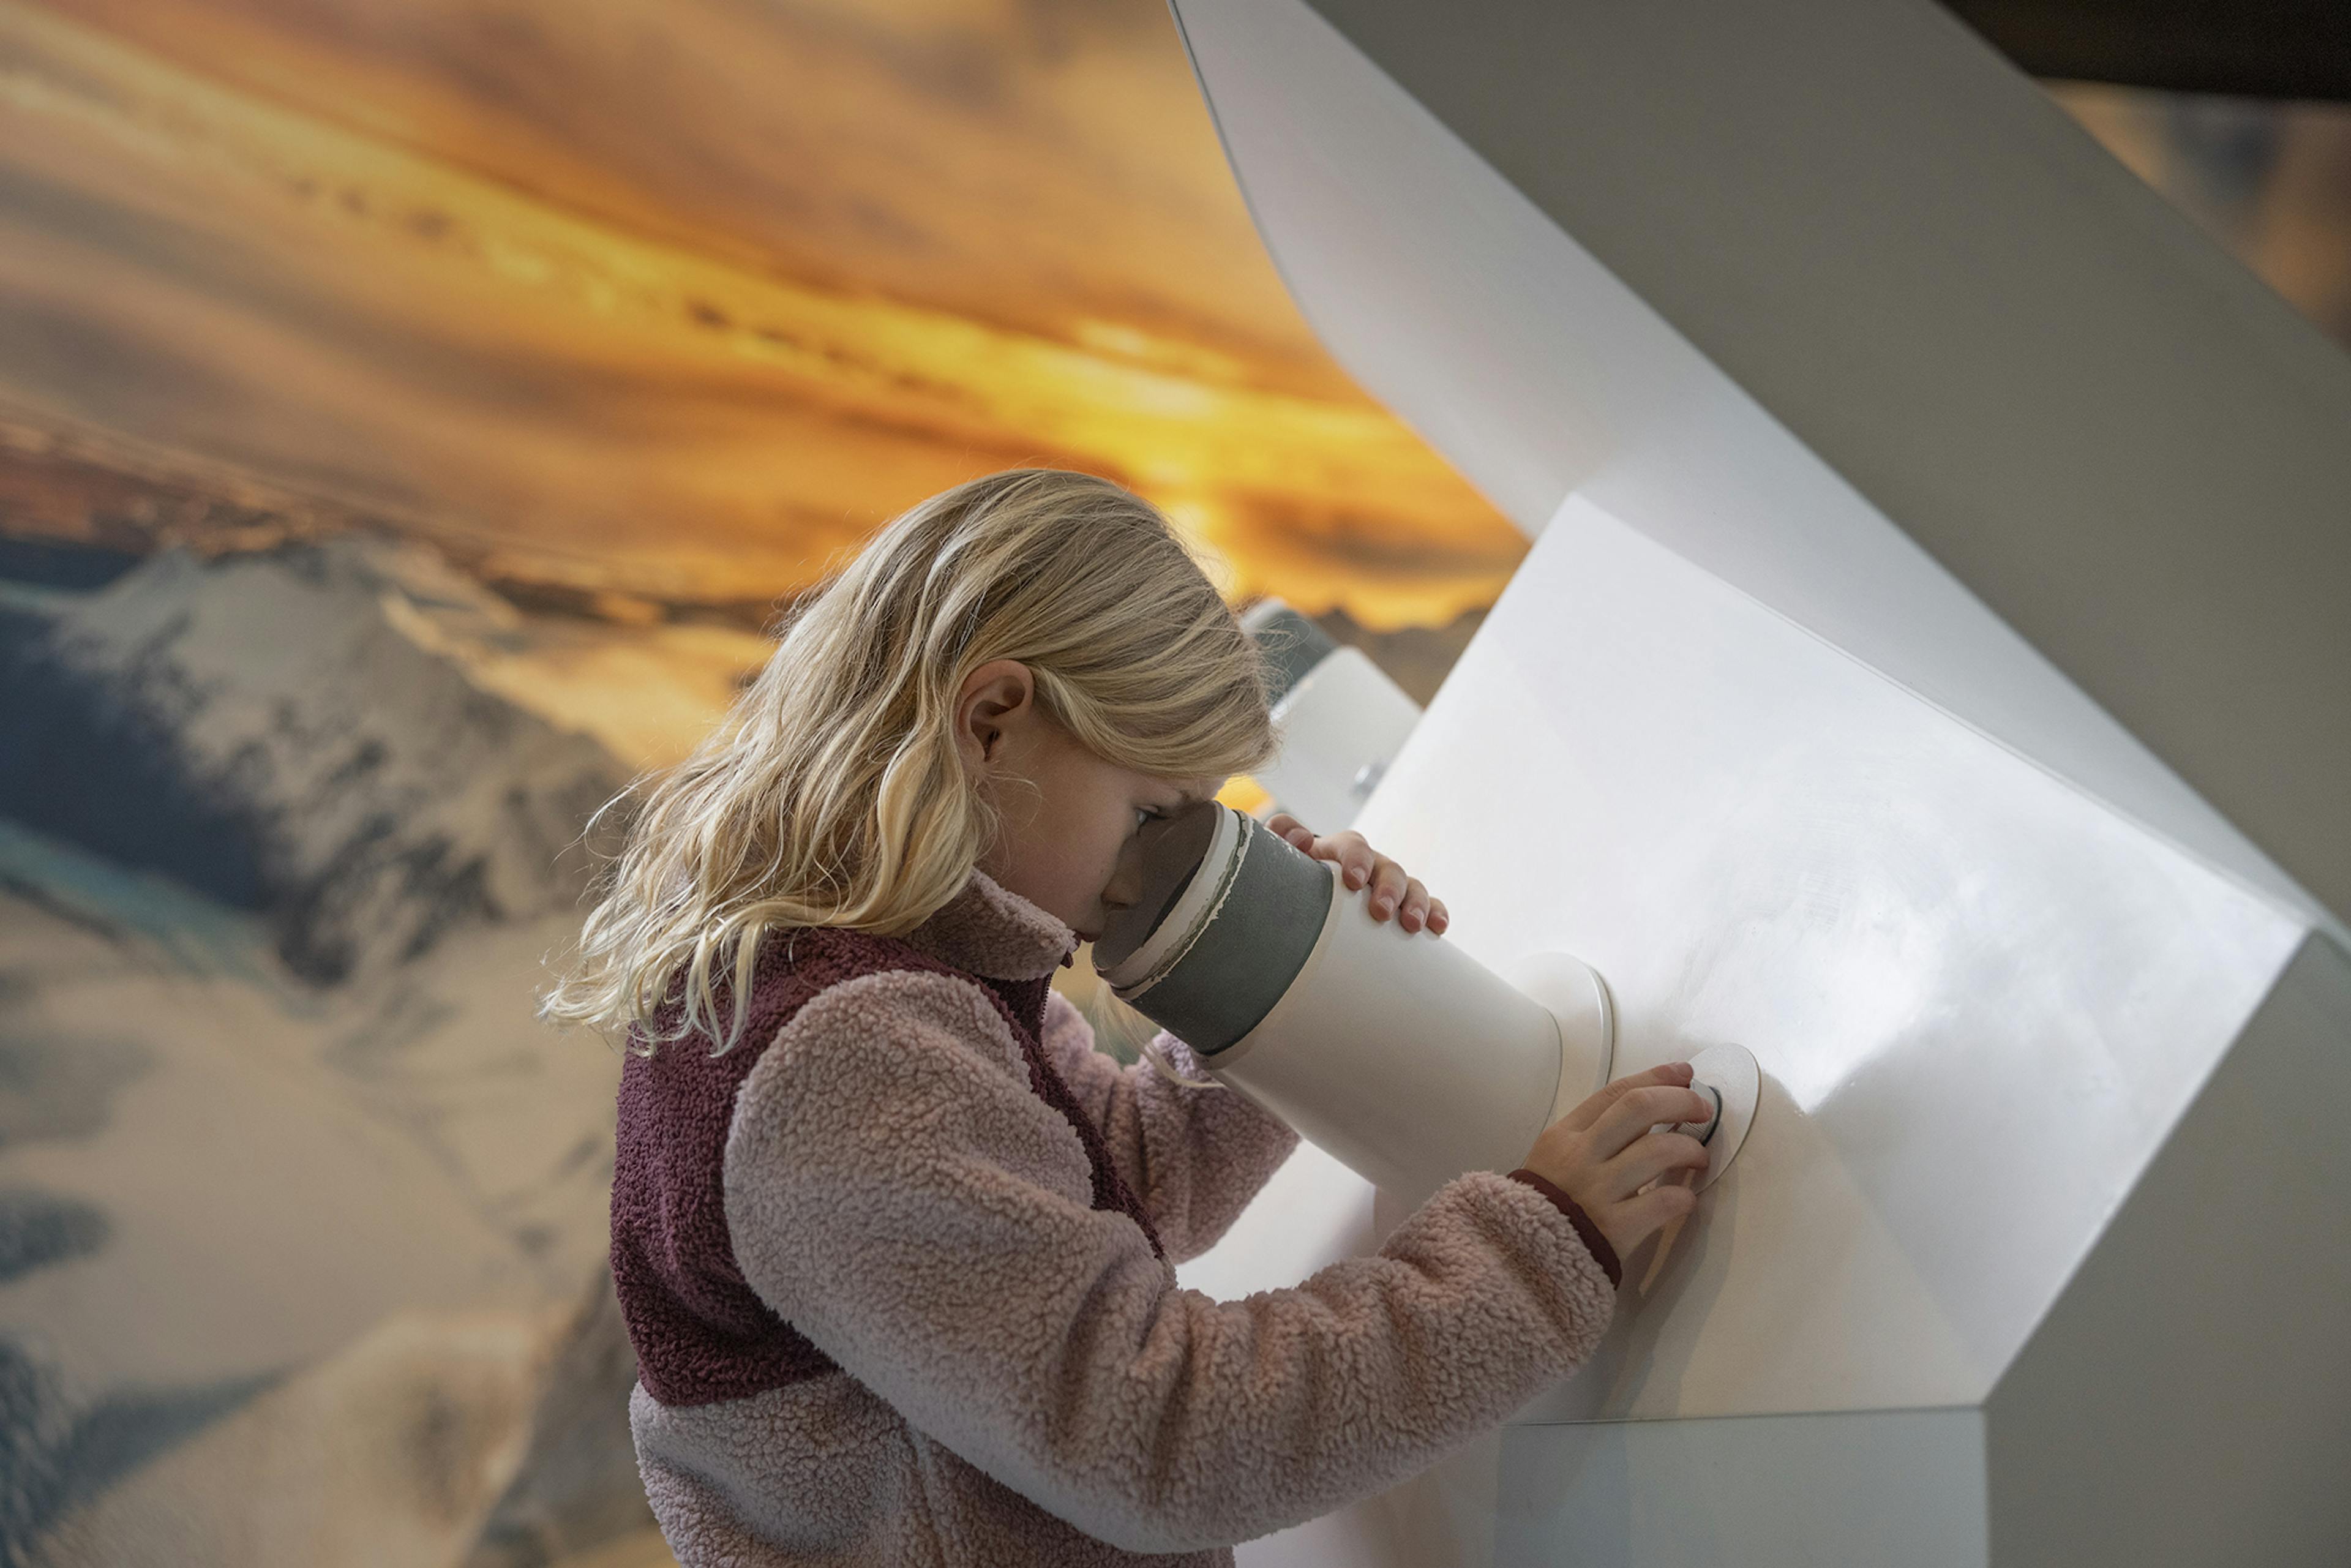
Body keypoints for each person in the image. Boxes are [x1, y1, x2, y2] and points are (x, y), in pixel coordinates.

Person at [544, 469, 1713, 1566]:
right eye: (1155, 810)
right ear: (993, 718)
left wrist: (1288, 978)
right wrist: (1534, 1251)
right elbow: (1161, 1431)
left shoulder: (902, 984)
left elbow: (1120, 1177)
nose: (1157, 863)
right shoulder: (848, 1060)